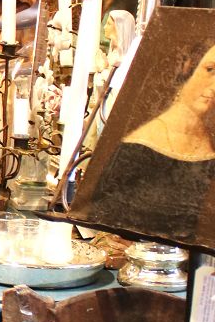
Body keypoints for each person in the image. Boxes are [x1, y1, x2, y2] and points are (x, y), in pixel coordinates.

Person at [77, 36, 215, 245]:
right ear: (188, 67)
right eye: (210, 70)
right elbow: (105, 217)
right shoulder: (138, 147)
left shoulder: (209, 145)